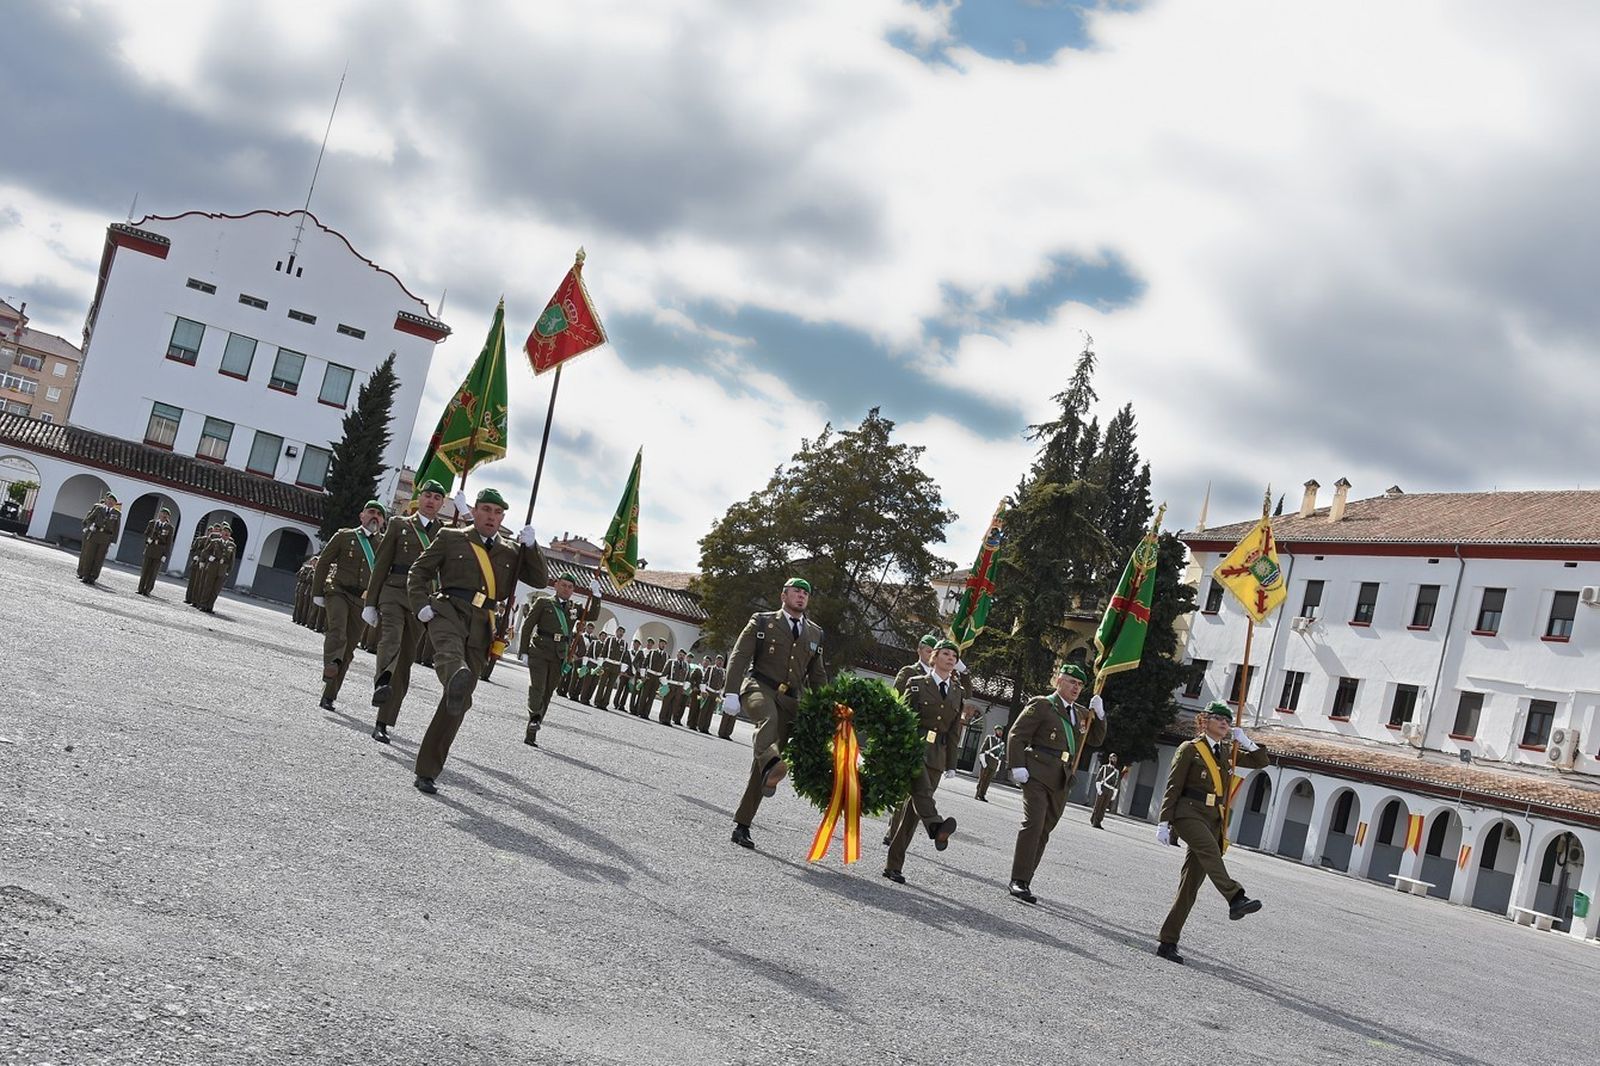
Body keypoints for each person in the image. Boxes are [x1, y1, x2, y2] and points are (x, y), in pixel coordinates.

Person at [408, 487, 546, 793]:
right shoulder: (451, 537)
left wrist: (533, 547)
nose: (491, 517)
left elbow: (540, 581)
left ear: (503, 518)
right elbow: (418, 572)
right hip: (448, 610)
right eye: (486, 510)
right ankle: (456, 675)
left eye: (498, 513)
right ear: (476, 510)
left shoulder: (512, 551)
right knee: (450, 656)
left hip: (482, 624)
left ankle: (427, 771)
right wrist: (421, 606)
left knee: (457, 702)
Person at [1155, 702, 1270, 963]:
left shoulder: (1229, 751)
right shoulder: (1191, 749)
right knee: (1209, 850)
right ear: (1204, 721)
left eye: (1227, 721)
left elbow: (1261, 762)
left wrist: (1248, 742)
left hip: (1212, 819)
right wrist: (1164, 821)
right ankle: (1235, 896)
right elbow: (1173, 786)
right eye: (1218, 719)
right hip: (1188, 812)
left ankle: (1167, 941)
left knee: (1190, 886)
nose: (1224, 724)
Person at [723, 577, 828, 850]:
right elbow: (739, 656)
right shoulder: (762, 621)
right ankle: (772, 763)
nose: (801, 596)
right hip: (760, 686)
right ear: (784, 595)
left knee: (762, 767)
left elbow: (817, 675)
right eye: (796, 591)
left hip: (791, 700)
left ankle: (742, 825)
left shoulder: (815, 633)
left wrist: (827, 707)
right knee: (767, 723)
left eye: (806, 592)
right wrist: (731, 691)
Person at [1005, 662, 1107, 904]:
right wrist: (1017, 765)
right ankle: (1017, 879)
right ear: (1059, 681)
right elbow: (1017, 735)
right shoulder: (1043, 704)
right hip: (1037, 773)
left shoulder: (1082, 713)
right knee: (1033, 823)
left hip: (1062, 778)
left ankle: (1026, 879)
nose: (1076, 687)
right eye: (1072, 681)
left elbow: (1095, 739)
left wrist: (1100, 716)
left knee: (1045, 829)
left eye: (1080, 684)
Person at [360, 480, 446, 743]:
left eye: (437, 498)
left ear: (443, 504)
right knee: (391, 638)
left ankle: (383, 721)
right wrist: (370, 603)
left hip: (421, 603)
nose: (431, 501)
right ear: (419, 499)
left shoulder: (446, 534)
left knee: (406, 661)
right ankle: (382, 680)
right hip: (394, 592)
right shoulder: (400, 525)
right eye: (427, 496)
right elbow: (381, 564)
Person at [883, 639, 964, 884]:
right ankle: (936, 825)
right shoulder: (917, 684)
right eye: (946, 654)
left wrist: (951, 763)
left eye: (954, 656)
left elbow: (953, 731)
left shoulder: (957, 692)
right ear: (935, 656)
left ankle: (893, 866)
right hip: (915, 748)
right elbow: (903, 718)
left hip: (937, 756)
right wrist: (897, 749)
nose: (951, 658)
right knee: (923, 792)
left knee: (911, 813)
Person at [312, 501, 385, 711]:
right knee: (337, 630)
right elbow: (324, 562)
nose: (375, 517)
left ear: (383, 521)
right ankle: (331, 663)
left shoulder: (384, 545)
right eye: (371, 512)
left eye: (379, 515)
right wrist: (317, 592)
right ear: (362, 516)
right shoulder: (345, 536)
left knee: (349, 650)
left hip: (362, 601)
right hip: (338, 592)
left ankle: (329, 695)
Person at [522, 573, 603, 747]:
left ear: (573, 591)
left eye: (570, 587)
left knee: (548, 691)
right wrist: (524, 652)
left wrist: (596, 595)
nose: (566, 589)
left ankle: (532, 731)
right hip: (540, 651)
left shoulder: (575, 608)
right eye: (564, 585)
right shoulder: (543, 603)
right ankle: (535, 716)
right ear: (556, 585)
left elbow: (593, 615)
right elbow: (528, 625)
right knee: (538, 686)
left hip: (559, 655)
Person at [77, 493, 121, 584]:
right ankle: (85, 575)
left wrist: (113, 541)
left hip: (106, 538)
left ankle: (93, 577)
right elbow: (89, 519)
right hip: (95, 534)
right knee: (89, 556)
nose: (110, 502)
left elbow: (117, 528)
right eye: (109, 500)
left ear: (115, 503)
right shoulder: (99, 509)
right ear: (106, 500)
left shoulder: (117, 513)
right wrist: (90, 526)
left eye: (112, 501)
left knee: (99, 558)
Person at [136, 506, 175, 595]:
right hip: (150, 548)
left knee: (153, 572)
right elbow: (146, 534)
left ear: (168, 517)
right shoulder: (152, 523)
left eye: (166, 514)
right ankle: (140, 588)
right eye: (163, 513)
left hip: (160, 551)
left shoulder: (169, 528)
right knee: (145, 570)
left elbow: (169, 542)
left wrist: (165, 555)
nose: (164, 515)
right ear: (159, 514)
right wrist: (148, 540)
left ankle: (147, 590)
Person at [633, 638, 668, 719]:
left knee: (652, 697)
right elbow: (644, 664)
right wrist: (642, 676)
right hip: (649, 676)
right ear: (659, 644)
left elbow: (665, 670)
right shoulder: (652, 652)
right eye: (662, 643)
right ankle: (639, 711)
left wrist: (663, 682)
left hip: (657, 678)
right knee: (644, 695)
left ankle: (646, 713)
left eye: (664, 644)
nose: (663, 645)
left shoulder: (666, 656)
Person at [594, 626, 628, 709]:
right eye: (619, 631)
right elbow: (603, 652)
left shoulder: (624, 644)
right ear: (616, 632)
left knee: (610, 686)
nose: (621, 633)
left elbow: (624, 658)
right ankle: (597, 701)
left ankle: (605, 703)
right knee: (602, 684)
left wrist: (622, 670)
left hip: (616, 667)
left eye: (622, 632)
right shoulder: (609, 640)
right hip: (607, 664)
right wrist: (600, 665)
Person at [659, 648, 692, 726]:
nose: (682, 656)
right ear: (677, 654)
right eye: (680, 655)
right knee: (666, 703)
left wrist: (684, 688)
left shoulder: (686, 665)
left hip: (679, 687)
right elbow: (664, 674)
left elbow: (687, 678)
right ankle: (662, 718)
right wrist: (665, 685)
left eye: (683, 655)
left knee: (674, 704)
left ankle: (668, 719)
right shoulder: (671, 662)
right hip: (671, 685)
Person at [973, 725, 1005, 801]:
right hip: (986, 762)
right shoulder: (990, 738)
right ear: (995, 731)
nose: (1000, 732)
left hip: (994, 764)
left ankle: (982, 795)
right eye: (998, 730)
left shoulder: (1001, 743)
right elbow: (982, 750)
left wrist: (998, 766)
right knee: (982, 779)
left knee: (988, 781)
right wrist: (983, 762)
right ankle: (977, 794)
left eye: (1001, 731)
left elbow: (1001, 755)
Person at [1090, 753, 1121, 829]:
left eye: (1115, 759)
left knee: (1104, 808)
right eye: (1112, 758)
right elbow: (1098, 778)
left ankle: (1098, 822)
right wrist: (1099, 789)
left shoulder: (1116, 772)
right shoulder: (1104, 768)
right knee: (1098, 806)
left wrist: (1114, 794)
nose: (1113, 760)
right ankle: (1094, 820)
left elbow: (1116, 784)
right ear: (1109, 759)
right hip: (1103, 788)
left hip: (1110, 791)